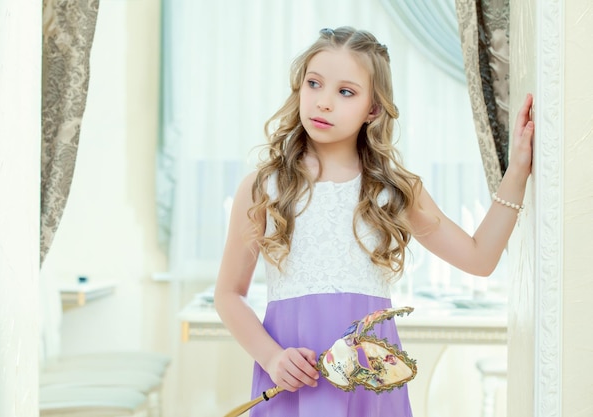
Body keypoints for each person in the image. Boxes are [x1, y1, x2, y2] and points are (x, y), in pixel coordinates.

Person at [214, 26, 534, 417]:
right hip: (294, 381)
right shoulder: (265, 187)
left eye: (345, 91)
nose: (324, 102)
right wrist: (272, 357)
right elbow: (228, 293)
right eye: (314, 84)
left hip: (370, 389)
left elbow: (480, 259)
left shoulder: (392, 191)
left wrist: (517, 172)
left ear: (373, 109)